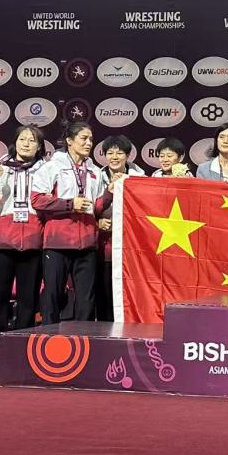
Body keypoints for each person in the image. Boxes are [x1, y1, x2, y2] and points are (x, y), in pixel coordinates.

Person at [0, 125, 47, 367]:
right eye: (22, 139)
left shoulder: (47, 170)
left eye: (32, 140)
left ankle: (21, 349)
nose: (26, 143)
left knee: (28, 300)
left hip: (33, 241)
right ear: (15, 143)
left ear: (39, 146)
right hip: (1, 241)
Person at [30, 122, 109, 323]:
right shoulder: (52, 167)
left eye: (91, 139)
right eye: (84, 138)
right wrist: (70, 204)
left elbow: (96, 208)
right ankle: (48, 337)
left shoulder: (95, 171)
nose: (89, 143)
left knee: (86, 299)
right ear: (69, 141)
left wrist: (109, 193)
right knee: (53, 295)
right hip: (58, 242)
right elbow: (37, 199)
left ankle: (84, 339)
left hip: (87, 244)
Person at [95, 135, 145, 322]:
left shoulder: (140, 179)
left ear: (128, 155)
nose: (114, 157)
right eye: (110, 153)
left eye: (119, 153)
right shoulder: (95, 176)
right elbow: (89, 208)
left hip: (130, 250)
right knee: (103, 295)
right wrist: (97, 223)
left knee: (129, 297)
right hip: (104, 248)